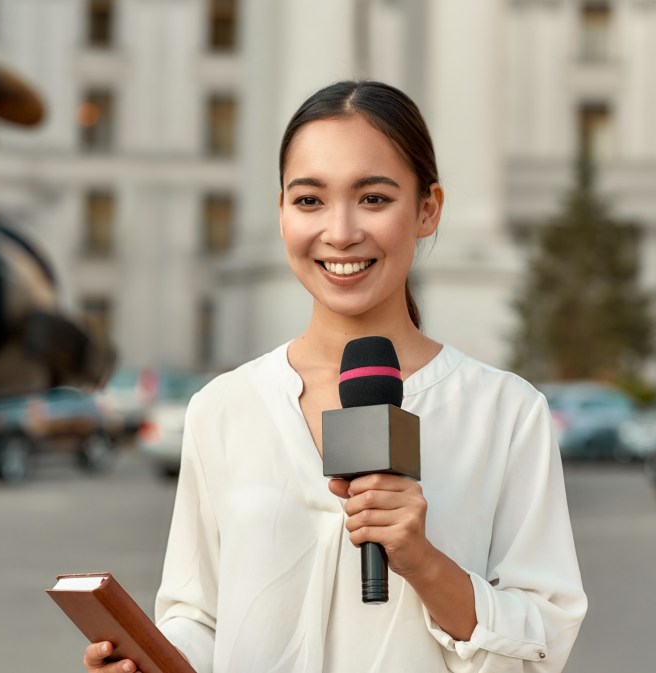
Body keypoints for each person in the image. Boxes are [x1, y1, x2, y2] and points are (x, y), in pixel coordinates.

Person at [82, 80, 587, 672]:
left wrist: (424, 561)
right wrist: (151, 662)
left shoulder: (504, 413)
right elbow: (201, 614)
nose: (341, 232)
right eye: (309, 200)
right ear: (281, 214)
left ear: (428, 210)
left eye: (373, 198)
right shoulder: (224, 406)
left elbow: (542, 643)